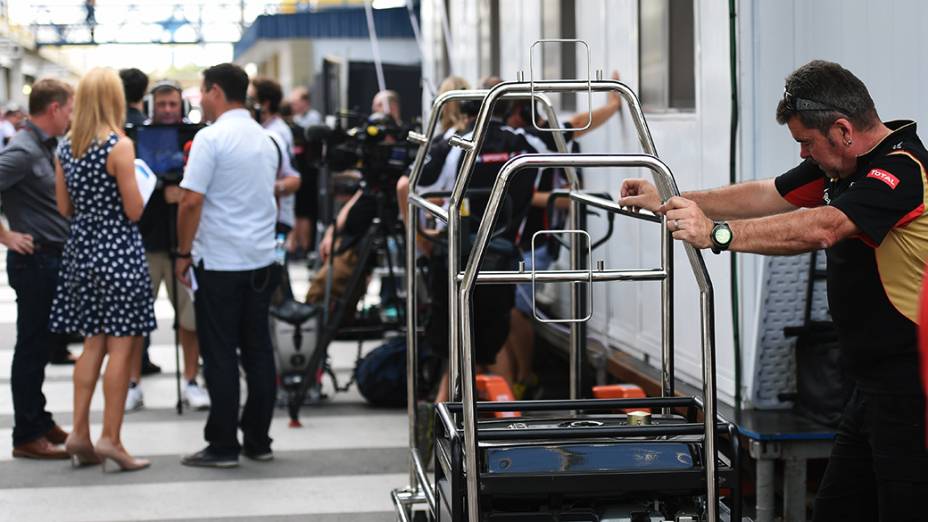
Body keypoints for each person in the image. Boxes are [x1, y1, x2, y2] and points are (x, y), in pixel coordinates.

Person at [619, 60, 928, 521]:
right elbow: (767, 195)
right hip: (869, 384)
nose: (804, 154)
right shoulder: (840, 165)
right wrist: (671, 198)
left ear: (842, 130)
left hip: (911, 386)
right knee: (835, 510)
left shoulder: (901, 172)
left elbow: (824, 227)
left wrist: (717, 235)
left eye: (806, 142)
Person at [175, 63, 281, 468]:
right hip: (260, 260)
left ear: (216, 91)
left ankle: (222, 444)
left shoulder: (211, 138)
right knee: (257, 350)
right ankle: (259, 439)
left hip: (219, 261)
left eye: (202, 91)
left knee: (219, 353)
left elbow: (191, 200)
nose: (200, 99)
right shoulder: (268, 139)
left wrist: (184, 254)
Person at [50, 67, 156, 471]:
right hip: (119, 254)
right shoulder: (120, 146)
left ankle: (79, 432)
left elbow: (64, 208)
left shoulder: (66, 148)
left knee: (92, 343)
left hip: (81, 253)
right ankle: (111, 438)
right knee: (122, 347)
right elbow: (133, 209)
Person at [0, 79, 74, 460]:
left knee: (42, 345)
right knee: (31, 347)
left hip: (50, 259)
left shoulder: (46, 147)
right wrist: (6, 236)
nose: (72, 117)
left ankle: (40, 420)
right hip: (35, 260)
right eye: (70, 109)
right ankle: (27, 433)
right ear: (55, 109)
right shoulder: (25, 150)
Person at [127, 79, 210, 412]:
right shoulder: (135, 138)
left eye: (172, 104)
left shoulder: (197, 138)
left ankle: (191, 380)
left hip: (184, 245)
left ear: (182, 106)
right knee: (133, 321)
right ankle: (132, 383)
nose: (167, 110)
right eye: (161, 104)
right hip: (145, 242)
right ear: (151, 106)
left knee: (190, 321)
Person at [118, 68, 159, 379]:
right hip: (155, 228)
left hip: (124, 235)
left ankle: (134, 367)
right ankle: (140, 362)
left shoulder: (114, 133)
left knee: (132, 306)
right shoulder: (149, 130)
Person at [248, 77, 301, 236]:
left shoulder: (278, 132)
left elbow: (292, 177)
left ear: (265, 104)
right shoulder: (263, 128)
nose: (247, 105)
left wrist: (266, 187)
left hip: (277, 217)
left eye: (251, 99)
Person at [288, 86, 323, 257]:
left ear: (305, 102)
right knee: (297, 210)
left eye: (295, 102)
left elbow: (307, 137)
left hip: (308, 173)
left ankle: (305, 246)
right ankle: (295, 245)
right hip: (297, 170)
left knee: (306, 211)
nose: (293, 106)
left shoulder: (313, 118)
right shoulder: (295, 119)